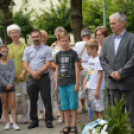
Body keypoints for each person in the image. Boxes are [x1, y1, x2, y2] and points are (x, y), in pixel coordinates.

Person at [99, 12, 134, 133]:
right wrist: (111, 73)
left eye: (114, 23)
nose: (111, 26)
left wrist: (121, 73)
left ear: (122, 23)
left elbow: (133, 59)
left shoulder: (132, 38)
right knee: (115, 116)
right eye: (110, 23)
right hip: (113, 84)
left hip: (129, 84)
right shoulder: (106, 41)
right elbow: (102, 59)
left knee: (132, 115)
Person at [23, 29, 53, 129]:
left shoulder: (47, 49)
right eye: (34, 37)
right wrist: (33, 73)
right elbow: (25, 63)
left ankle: (48, 120)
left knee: (46, 99)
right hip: (31, 78)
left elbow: (48, 64)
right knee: (32, 100)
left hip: (44, 77)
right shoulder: (27, 50)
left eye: (37, 36)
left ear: (41, 37)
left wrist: (38, 73)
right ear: (31, 38)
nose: (36, 38)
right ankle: (34, 121)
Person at [55, 31, 79, 134]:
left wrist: (77, 83)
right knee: (64, 105)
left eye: (66, 41)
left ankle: (74, 126)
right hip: (61, 83)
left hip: (71, 83)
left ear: (69, 41)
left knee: (73, 104)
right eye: (62, 41)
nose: (64, 43)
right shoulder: (58, 54)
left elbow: (77, 69)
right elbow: (57, 70)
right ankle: (67, 125)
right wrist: (56, 84)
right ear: (59, 42)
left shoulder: (73, 53)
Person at [7, 24, 29, 123]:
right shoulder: (7, 47)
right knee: (12, 98)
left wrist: (23, 72)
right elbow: (5, 62)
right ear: (10, 35)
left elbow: (27, 61)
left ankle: (25, 118)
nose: (14, 34)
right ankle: (13, 118)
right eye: (12, 33)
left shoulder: (25, 46)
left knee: (24, 96)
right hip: (11, 77)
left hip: (23, 76)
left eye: (16, 32)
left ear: (19, 34)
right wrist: (10, 74)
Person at [83, 39, 105, 119]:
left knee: (99, 108)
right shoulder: (90, 59)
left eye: (88, 50)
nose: (86, 51)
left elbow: (100, 75)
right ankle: (96, 126)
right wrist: (86, 83)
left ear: (94, 49)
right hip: (90, 87)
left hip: (96, 88)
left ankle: (101, 126)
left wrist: (97, 89)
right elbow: (90, 72)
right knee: (94, 108)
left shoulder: (99, 60)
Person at [0, 45, 20, 130]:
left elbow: (13, 72)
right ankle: (7, 123)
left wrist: (11, 83)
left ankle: (14, 122)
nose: (5, 53)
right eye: (3, 51)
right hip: (1, 86)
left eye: (6, 51)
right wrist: (5, 84)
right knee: (4, 105)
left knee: (12, 104)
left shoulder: (11, 61)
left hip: (11, 86)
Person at [51, 26, 66, 124]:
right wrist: (56, 67)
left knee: (65, 95)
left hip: (66, 73)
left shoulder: (67, 45)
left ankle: (65, 114)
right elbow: (49, 60)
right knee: (58, 95)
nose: (59, 35)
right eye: (58, 33)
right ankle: (61, 114)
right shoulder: (53, 46)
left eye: (61, 33)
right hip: (55, 72)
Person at [75, 28, 90, 113]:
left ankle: (83, 106)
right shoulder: (91, 43)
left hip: (80, 67)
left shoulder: (77, 44)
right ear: (89, 36)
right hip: (89, 67)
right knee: (89, 87)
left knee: (81, 87)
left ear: (81, 36)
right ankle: (89, 105)